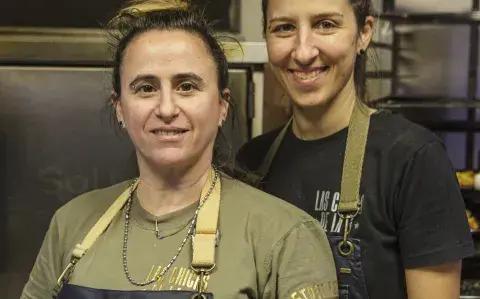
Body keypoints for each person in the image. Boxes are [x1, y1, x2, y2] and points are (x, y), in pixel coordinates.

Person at [20, 1, 339, 299]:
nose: (167, 108)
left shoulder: (286, 237)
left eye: (187, 86)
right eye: (146, 88)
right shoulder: (71, 224)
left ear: (221, 105)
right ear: (120, 108)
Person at [235, 0, 475, 298]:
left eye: (326, 24)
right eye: (284, 28)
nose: (303, 51)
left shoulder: (413, 158)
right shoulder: (251, 162)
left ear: (364, 33)